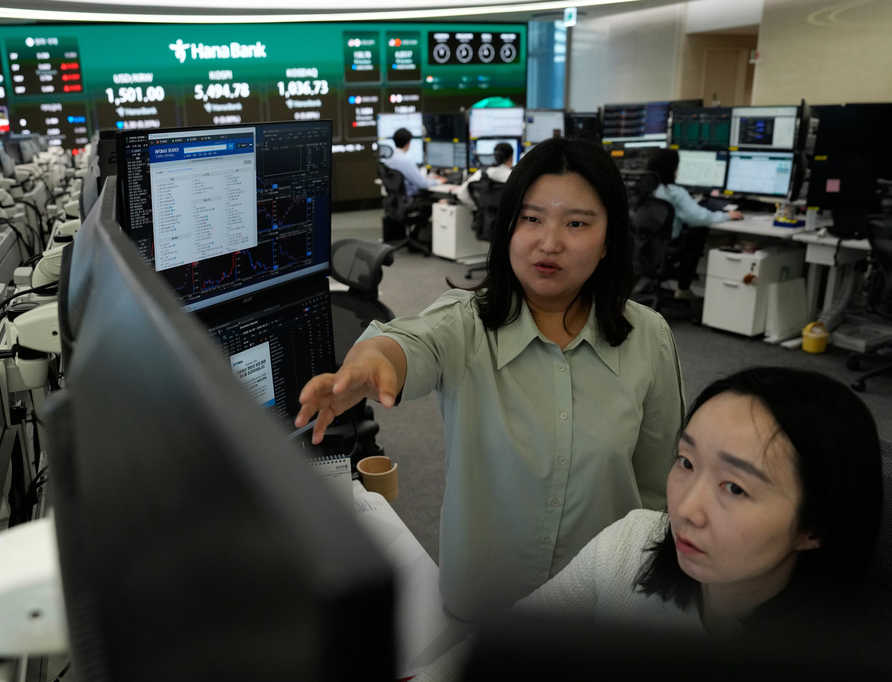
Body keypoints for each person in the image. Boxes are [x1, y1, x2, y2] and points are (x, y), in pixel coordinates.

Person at [297, 137, 685, 621]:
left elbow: (660, 487)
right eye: (531, 218)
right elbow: (412, 341)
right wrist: (371, 358)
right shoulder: (465, 323)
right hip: (483, 609)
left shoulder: (649, 338)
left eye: (577, 223)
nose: (550, 242)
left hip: (599, 615)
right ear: (507, 229)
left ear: (609, 241)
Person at [415, 367, 892, 680]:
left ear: (816, 526)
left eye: (735, 488)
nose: (685, 510)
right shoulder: (633, 543)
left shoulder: (850, 660)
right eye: (686, 462)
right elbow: (501, 650)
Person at [645, 148, 743, 299]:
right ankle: (683, 288)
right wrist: (726, 215)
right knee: (698, 231)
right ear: (673, 169)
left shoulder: (642, 190)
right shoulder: (675, 193)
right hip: (667, 247)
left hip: (642, 246)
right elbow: (699, 218)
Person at [383, 127, 446, 199]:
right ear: (408, 143)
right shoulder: (406, 161)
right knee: (437, 199)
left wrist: (429, 179)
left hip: (396, 199)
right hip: (409, 198)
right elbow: (421, 184)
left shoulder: (387, 159)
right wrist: (438, 181)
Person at [453, 142, 514, 209]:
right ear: (511, 158)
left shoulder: (481, 173)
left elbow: (461, 195)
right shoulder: (513, 176)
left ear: (494, 156)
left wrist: (480, 209)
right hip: (507, 218)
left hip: (485, 218)